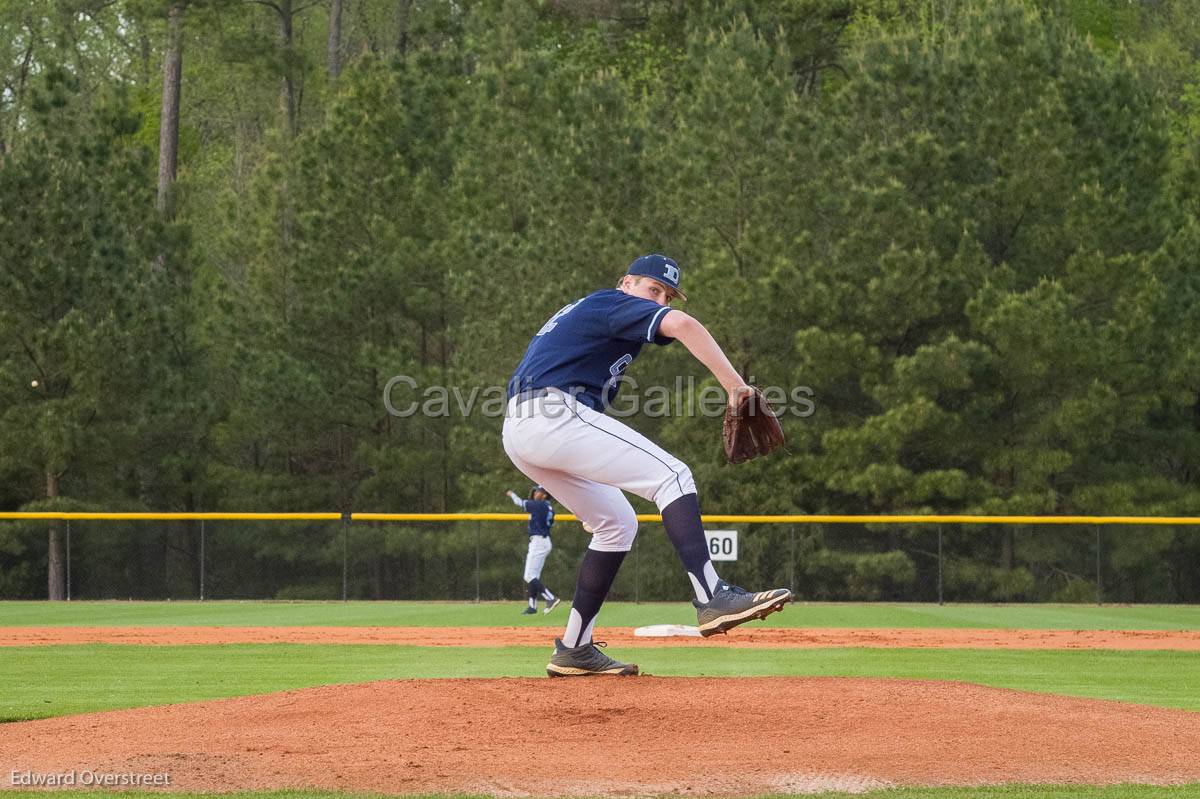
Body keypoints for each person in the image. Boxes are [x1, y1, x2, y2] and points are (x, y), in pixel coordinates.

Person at [502, 253, 792, 677]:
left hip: (522, 428)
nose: (661, 301)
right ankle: (712, 595)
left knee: (617, 524)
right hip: (550, 414)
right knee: (672, 475)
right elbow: (685, 325)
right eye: (654, 290)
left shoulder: (598, 314)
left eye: (668, 295)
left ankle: (575, 648)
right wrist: (737, 388)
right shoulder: (610, 303)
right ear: (626, 283)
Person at [505, 485, 562, 615]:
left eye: (539, 492)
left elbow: (519, 502)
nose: (536, 493)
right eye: (536, 491)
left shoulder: (538, 505)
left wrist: (511, 494)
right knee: (534, 576)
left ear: (545, 495)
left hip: (538, 542)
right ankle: (532, 606)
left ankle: (550, 598)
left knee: (529, 576)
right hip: (544, 541)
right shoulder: (549, 507)